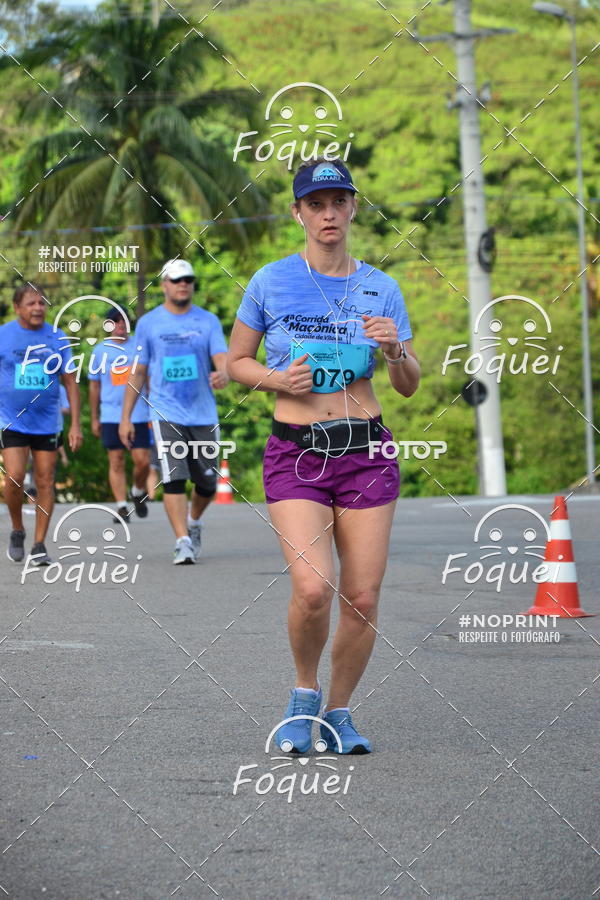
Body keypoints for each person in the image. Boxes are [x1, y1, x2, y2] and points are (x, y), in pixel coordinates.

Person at [227, 159, 420, 754]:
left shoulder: (382, 288)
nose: (328, 213)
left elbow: (408, 384)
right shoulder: (270, 281)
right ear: (298, 213)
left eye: (339, 201)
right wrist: (278, 380)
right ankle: (303, 696)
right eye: (316, 204)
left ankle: (339, 713)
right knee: (313, 589)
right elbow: (236, 363)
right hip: (297, 453)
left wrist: (394, 351)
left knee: (362, 598)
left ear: (353, 207)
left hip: (366, 452)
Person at [119, 259, 229, 564]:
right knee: (173, 478)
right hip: (165, 412)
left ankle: (194, 522)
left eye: (188, 280)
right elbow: (138, 371)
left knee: (207, 483)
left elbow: (222, 357)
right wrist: (126, 418)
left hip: (203, 414)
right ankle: (182, 541)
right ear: (164, 284)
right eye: (177, 280)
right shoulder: (149, 323)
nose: (183, 284)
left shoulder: (208, 321)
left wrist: (224, 373)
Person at [0, 283, 82, 564]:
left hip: (48, 422)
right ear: (17, 307)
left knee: (46, 481)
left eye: (42, 303)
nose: (38, 308)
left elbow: (70, 382)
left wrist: (75, 425)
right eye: (31, 303)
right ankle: (18, 529)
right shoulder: (4, 335)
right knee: (14, 476)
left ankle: (39, 545)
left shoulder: (57, 337)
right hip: (11, 420)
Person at [89, 307, 151, 523]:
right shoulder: (99, 351)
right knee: (116, 461)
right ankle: (122, 506)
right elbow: (94, 386)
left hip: (139, 413)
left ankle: (137, 491)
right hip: (110, 414)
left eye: (124, 321)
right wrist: (94, 418)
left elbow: (149, 380)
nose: (121, 325)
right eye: (116, 321)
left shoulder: (139, 347)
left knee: (143, 461)